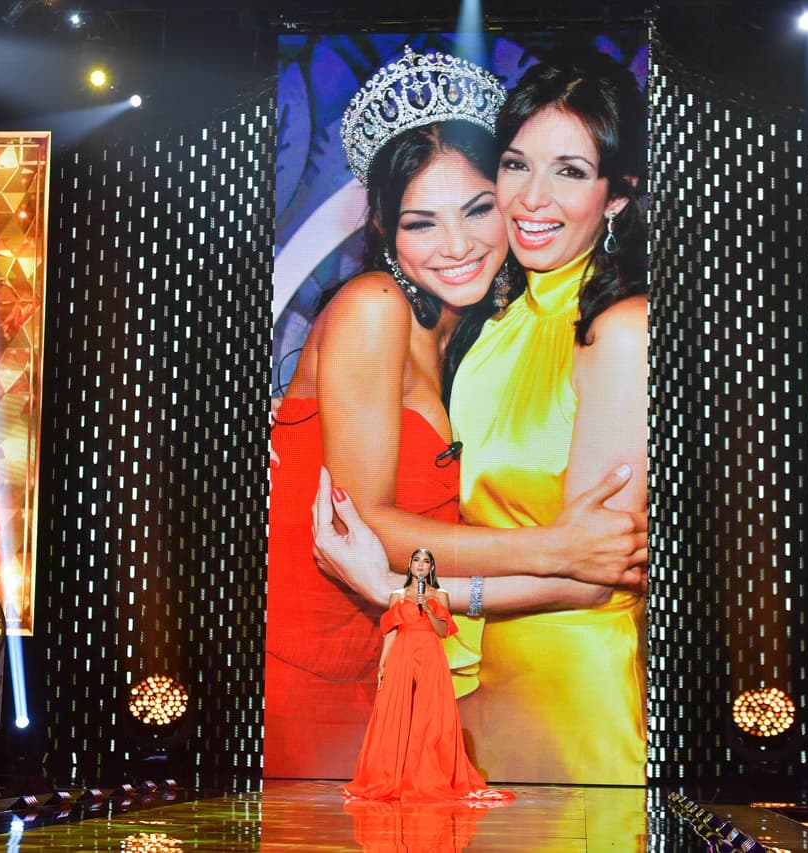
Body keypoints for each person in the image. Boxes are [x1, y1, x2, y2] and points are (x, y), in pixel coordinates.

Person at [265, 46, 646, 780]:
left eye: (476, 209)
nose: (460, 245)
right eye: (421, 223)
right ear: (382, 227)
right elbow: (366, 520)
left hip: (408, 662)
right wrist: (559, 547)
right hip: (312, 674)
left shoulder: (482, 334)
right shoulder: (376, 307)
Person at [443, 51, 651, 784]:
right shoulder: (492, 322)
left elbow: (599, 574)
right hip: (475, 679)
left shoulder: (620, 328)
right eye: (515, 164)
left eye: (568, 171)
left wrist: (415, 590)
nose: (531, 198)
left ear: (616, 194)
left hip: (575, 690)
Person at [344, 549, 512, 804]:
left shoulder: (439, 595)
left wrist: (429, 610)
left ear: (431, 568)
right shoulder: (397, 596)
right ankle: (392, 776)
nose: (420, 565)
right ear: (410, 565)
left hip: (431, 653)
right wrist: (383, 663)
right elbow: (391, 631)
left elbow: (443, 631)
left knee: (431, 714)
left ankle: (428, 775)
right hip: (403, 652)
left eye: (425, 562)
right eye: (416, 561)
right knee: (397, 712)